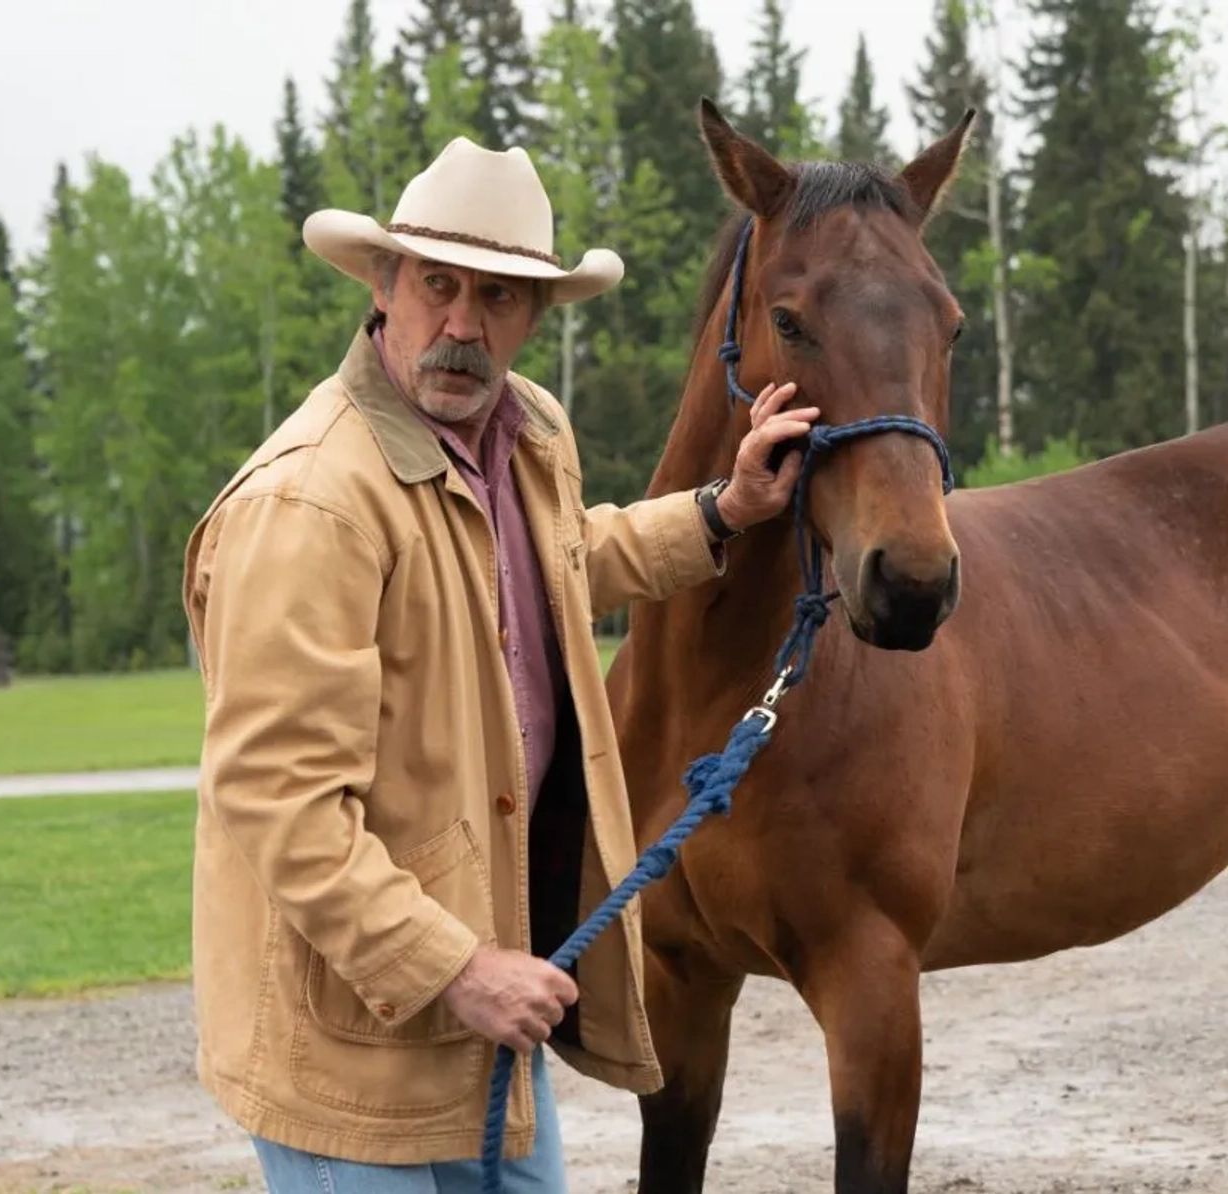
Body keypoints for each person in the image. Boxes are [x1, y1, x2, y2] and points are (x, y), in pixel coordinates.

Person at [179, 137, 818, 1193]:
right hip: (355, 1046)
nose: (465, 325)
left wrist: (725, 510)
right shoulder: (311, 505)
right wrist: (457, 969)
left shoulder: (526, 434)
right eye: (439, 284)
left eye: (502, 295)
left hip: (488, 1009)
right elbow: (279, 802)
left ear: (539, 315)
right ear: (386, 285)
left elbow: (562, 563)